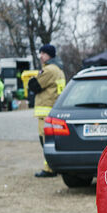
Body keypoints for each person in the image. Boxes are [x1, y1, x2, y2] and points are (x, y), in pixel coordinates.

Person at [32, 45, 66, 178]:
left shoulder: (49, 70)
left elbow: (34, 85)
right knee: (53, 140)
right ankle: (53, 165)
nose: (41, 56)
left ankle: (49, 169)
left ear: (50, 55)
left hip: (45, 112)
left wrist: (33, 78)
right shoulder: (59, 69)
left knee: (45, 140)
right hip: (54, 109)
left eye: (43, 53)